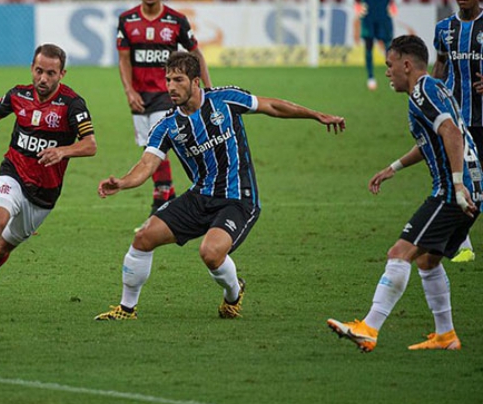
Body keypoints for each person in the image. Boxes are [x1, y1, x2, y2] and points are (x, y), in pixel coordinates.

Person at [94, 51, 345, 321]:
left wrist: (316, 115)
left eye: (178, 80)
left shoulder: (225, 99)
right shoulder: (167, 125)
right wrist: (122, 182)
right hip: (200, 196)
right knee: (143, 237)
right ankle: (126, 309)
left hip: (238, 199)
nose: (170, 87)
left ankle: (233, 295)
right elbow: (146, 165)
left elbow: (272, 106)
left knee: (210, 253)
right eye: (167, 80)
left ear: (196, 81)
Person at [328, 35, 481, 353]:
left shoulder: (424, 91)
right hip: (472, 187)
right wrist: (393, 168)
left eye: (390, 65)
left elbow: (451, 132)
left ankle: (369, 327)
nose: (387, 72)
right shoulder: (434, 90)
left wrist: (455, 185)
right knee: (427, 260)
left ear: (407, 65)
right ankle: (446, 335)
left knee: (400, 252)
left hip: (453, 191)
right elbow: (433, 140)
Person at [0, 44, 96, 300]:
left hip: (44, 194)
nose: (43, 78)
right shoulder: (18, 95)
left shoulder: (72, 104)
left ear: (62, 74)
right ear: (31, 68)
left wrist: (63, 151)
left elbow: (90, 145)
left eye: (51, 73)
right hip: (13, 173)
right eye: (39, 71)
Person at [116, 0, 212, 224]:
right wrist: (129, 90)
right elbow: (124, 59)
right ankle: (167, 193)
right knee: (150, 145)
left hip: (166, 93)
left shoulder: (176, 20)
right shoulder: (127, 20)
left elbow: (196, 53)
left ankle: (162, 199)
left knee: (156, 145)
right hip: (139, 95)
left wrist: (208, 87)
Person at [432, 0, 483, 263]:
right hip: (456, 120)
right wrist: (429, 101)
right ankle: (461, 241)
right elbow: (439, 66)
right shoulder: (444, 28)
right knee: (462, 180)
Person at [344, 0, 405, 91]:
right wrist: (352, 1)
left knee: (389, 47)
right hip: (368, 14)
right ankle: (371, 77)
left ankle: (393, 77)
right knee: (369, 45)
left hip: (384, 13)